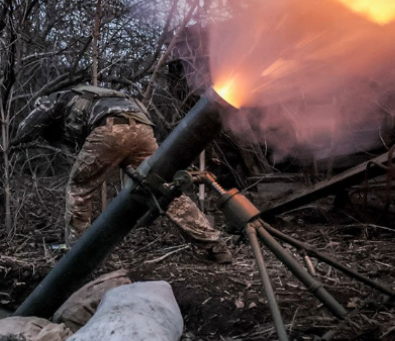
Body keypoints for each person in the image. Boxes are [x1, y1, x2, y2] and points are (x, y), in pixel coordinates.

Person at [16, 84, 233, 263]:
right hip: (142, 129)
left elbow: (27, 126)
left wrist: (12, 143)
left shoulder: (55, 97)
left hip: (110, 127)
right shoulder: (99, 96)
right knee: (163, 188)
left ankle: (75, 255)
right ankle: (214, 244)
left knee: (79, 189)